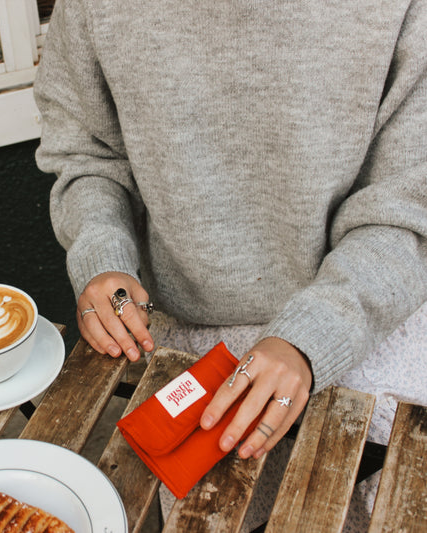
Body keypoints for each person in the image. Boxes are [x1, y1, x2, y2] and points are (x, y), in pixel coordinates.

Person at [34, 0, 427, 529]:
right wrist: (104, 253)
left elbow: (407, 206)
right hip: (183, 335)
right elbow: (88, 154)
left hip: (368, 322)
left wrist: (309, 338)